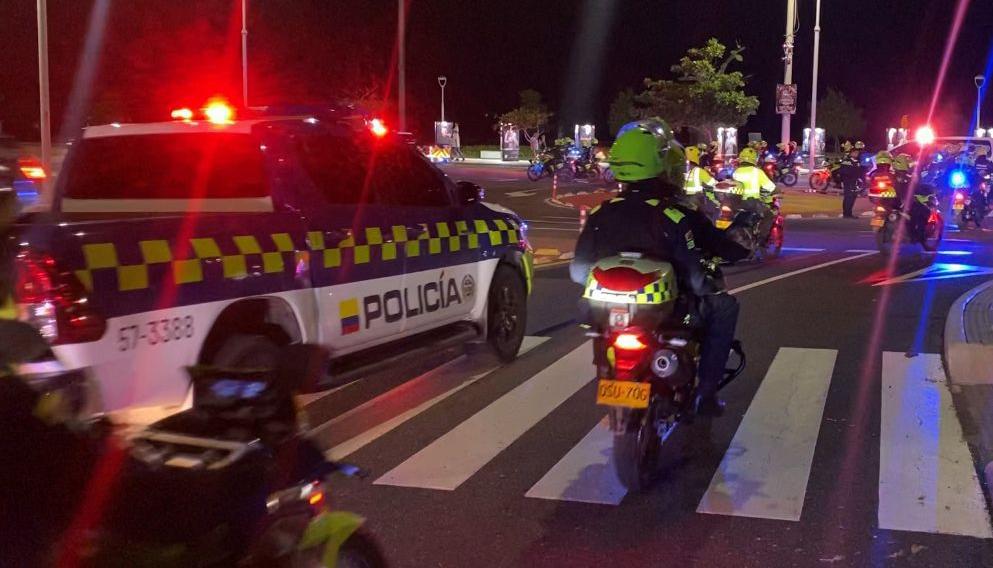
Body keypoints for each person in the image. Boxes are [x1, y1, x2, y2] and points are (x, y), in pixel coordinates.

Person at [571, 119, 750, 416]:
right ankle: (705, 394)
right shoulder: (677, 214)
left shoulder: (601, 213)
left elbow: (578, 271)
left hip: (606, 312)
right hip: (667, 311)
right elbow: (696, 274)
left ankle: (609, 372)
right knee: (725, 307)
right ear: (665, 165)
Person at [732, 147, 778, 239]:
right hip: (752, 203)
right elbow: (770, 187)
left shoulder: (736, 172)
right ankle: (762, 236)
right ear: (754, 159)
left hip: (737, 203)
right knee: (769, 214)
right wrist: (777, 191)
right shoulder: (757, 172)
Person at [684, 145, 720, 221]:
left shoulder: (681, 170)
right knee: (713, 209)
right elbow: (714, 184)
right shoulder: (699, 171)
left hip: (684, 200)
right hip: (696, 200)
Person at [838, 147, 865, 218]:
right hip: (848, 182)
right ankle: (846, 213)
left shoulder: (857, 162)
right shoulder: (847, 161)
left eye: (857, 153)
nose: (856, 154)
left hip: (855, 182)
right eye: (855, 152)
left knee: (853, 197)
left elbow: (859, 172)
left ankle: (849, 213)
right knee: (848, 197)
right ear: (851, 153)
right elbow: (843, 172)